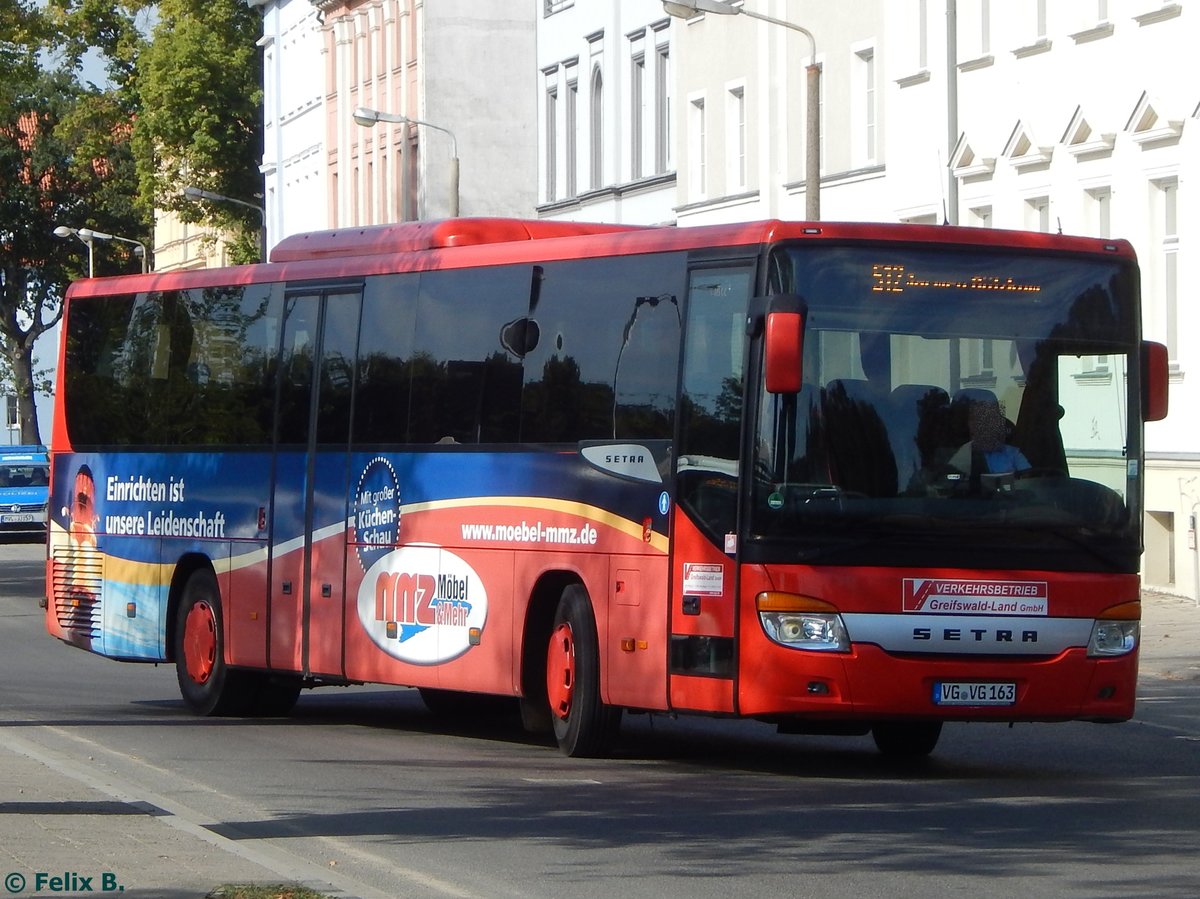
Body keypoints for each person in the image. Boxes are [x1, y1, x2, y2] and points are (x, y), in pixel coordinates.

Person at [947, 398, 1031, 478]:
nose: (990, 427)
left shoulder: (1013, 453)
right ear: (974, 428)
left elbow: (1027, 477)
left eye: (995, 422)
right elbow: (955, 479)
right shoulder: (966, 452)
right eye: (984, 423)